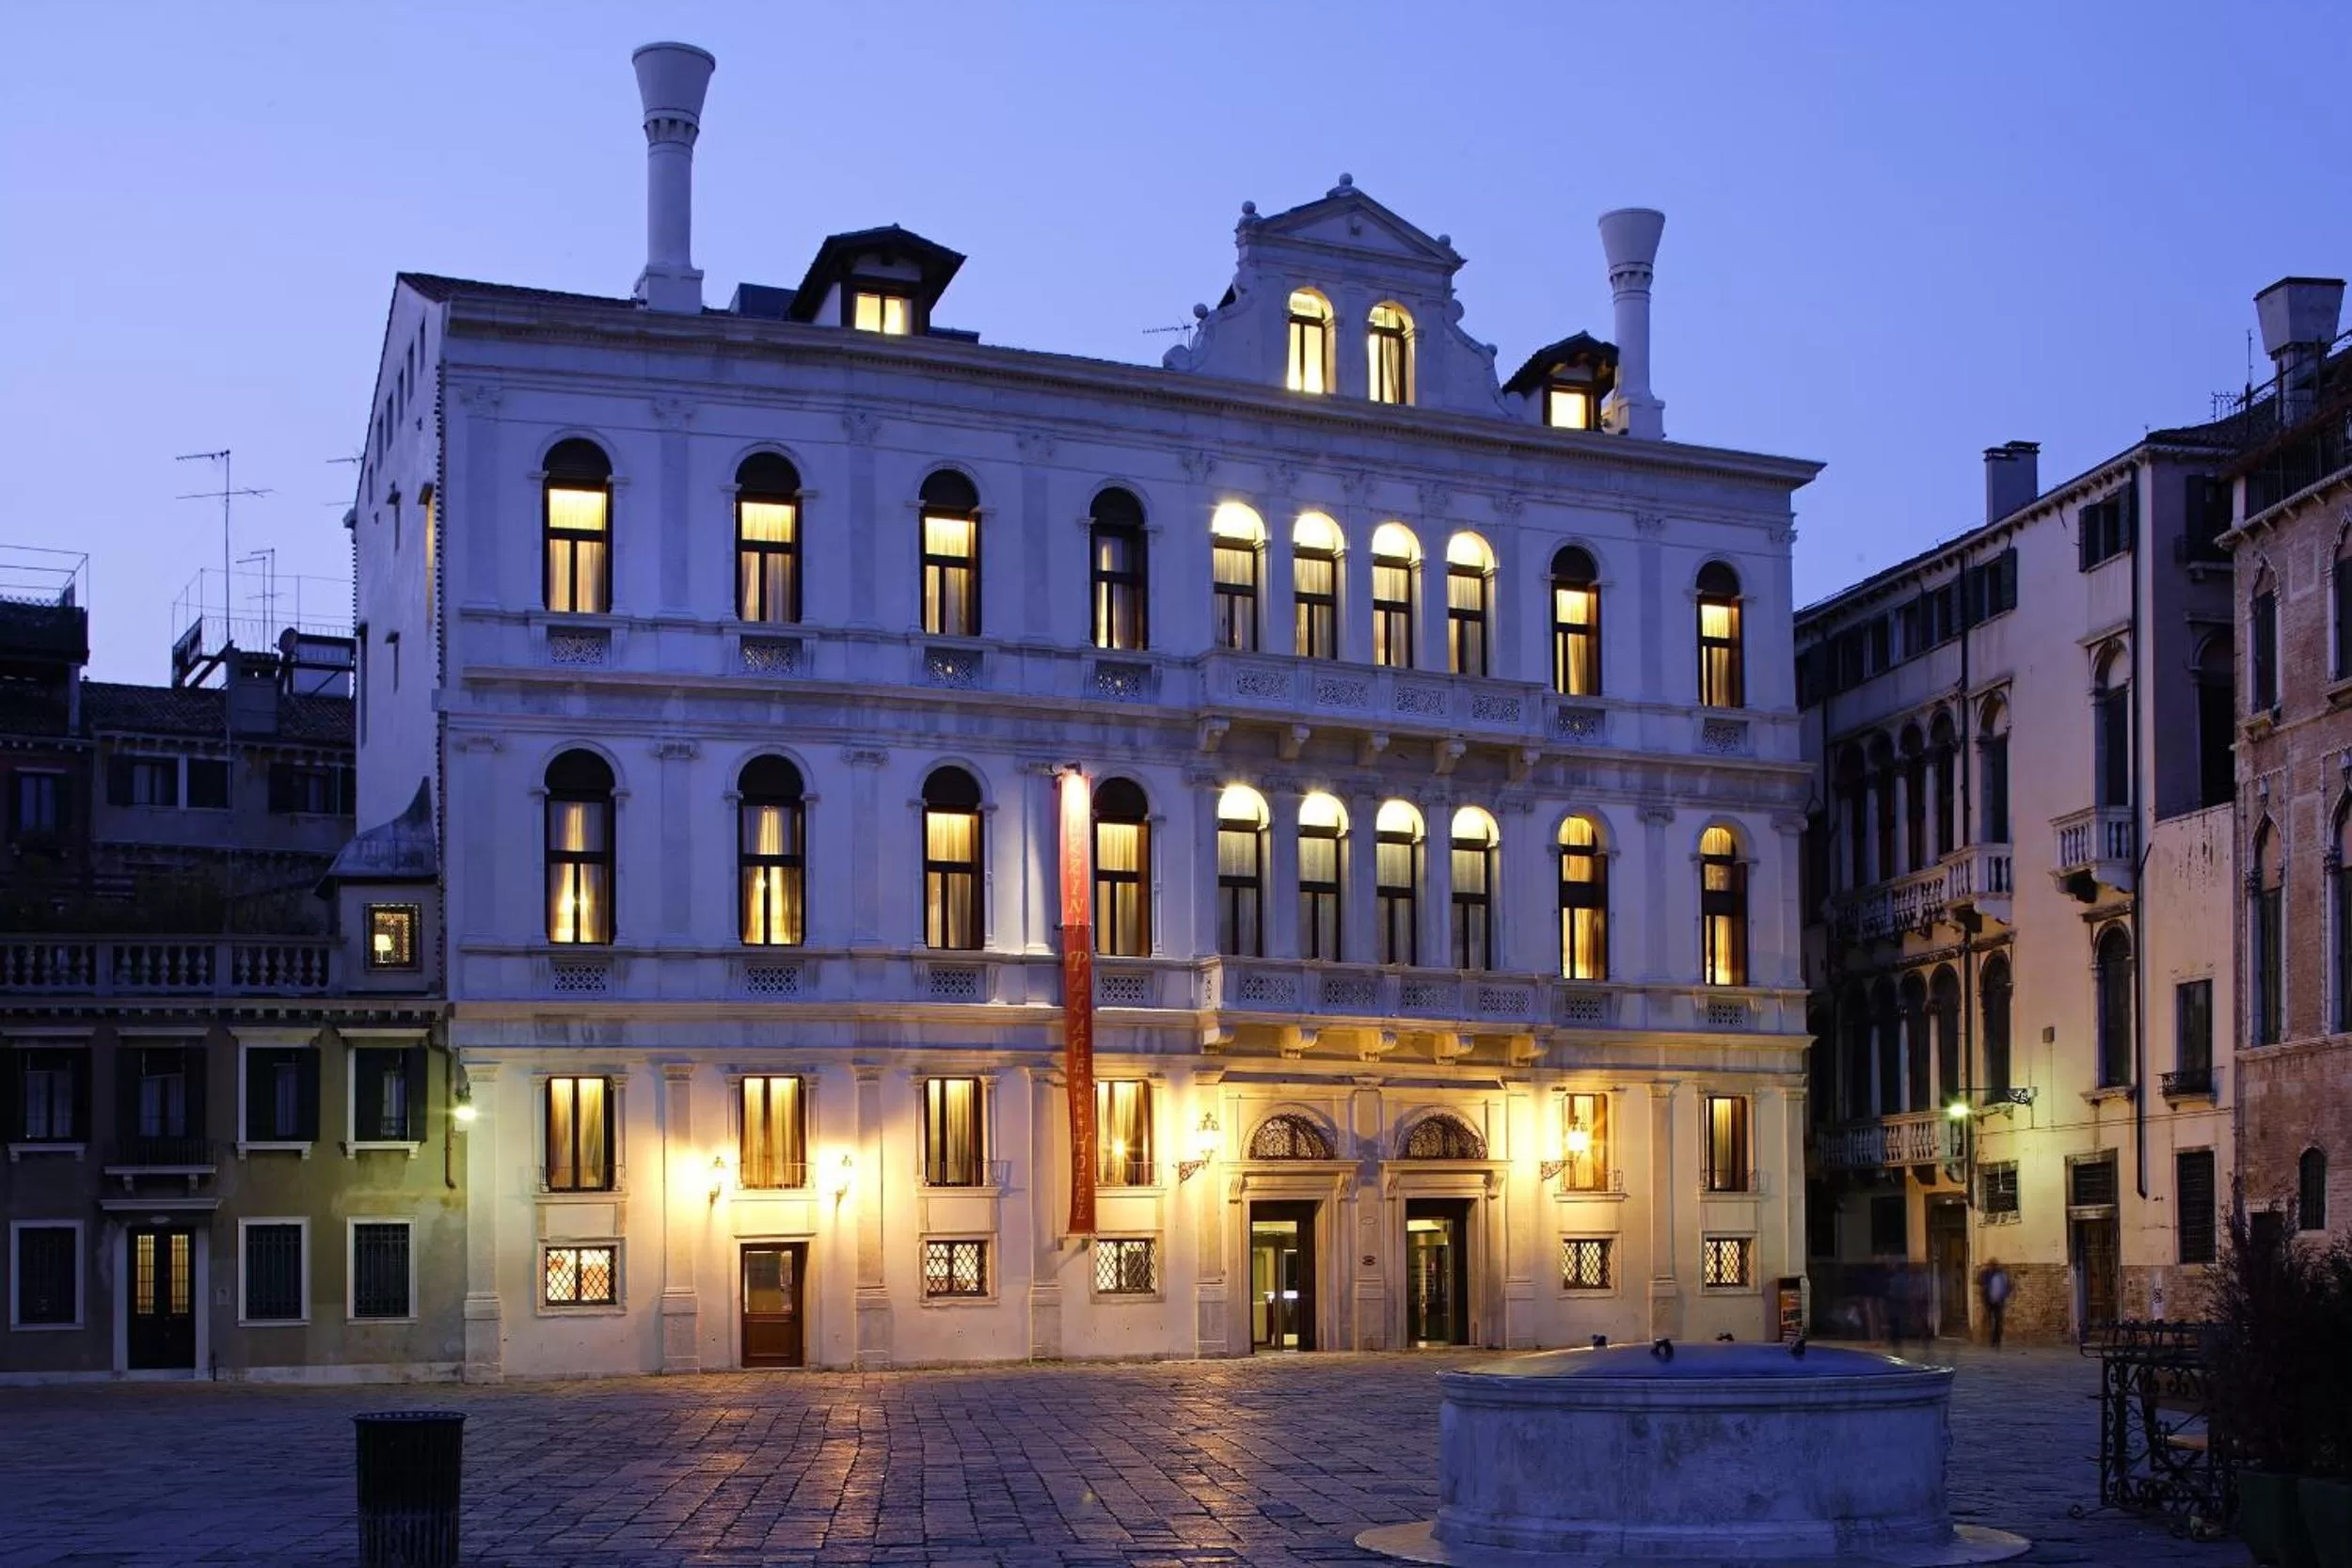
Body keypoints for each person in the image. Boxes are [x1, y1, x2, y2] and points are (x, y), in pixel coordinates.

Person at [1981, 1259, 2012, 1349]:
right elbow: (1982, 1285)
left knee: (1998, 1322)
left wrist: (2004, 1295)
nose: (1991, 1267)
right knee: (1991, 1321)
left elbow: (2008, 1286)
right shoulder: (1986, 1274)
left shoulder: (2001, 1275)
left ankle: (1996, 1341)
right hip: (1989, 1301)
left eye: (1992, 1265)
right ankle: (1992, 1340)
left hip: (1998, 1301)